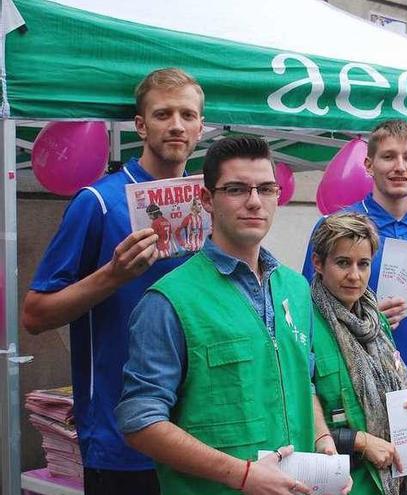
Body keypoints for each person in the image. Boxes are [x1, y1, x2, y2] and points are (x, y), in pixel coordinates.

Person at [116, 136, 344, 495]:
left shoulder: (296, 288)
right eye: (237, 189)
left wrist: (321, 440)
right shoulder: (169, 301)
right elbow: (139, 422)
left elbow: (303, 381)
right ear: (207, 199)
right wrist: (242, 474)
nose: (255, 202)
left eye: (266, 189)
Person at [22, 68, 205, 495]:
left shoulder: (209, 204)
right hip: (121, 437)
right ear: (140, 125)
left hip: (200, 431)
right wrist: (112, 276)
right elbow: (34, 314)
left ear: (201, 126)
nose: (176, 125)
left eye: (187, 114)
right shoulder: (98, 202)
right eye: (163, 114)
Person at [302, 120, 407, 493]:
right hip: (358, 405)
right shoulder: (338, 228)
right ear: (368, 164)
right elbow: (309, 317)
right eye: (389, 157)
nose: (400, 167)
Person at [309, 211, 407, 495]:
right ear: (318, 263)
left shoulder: (375, 321)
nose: (354, 275)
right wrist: (360, 441)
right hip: (344, 482)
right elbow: (298, 412)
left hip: (390, 477)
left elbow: (389, 386)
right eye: (343, 263)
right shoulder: (303, 322)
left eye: (363, 264)